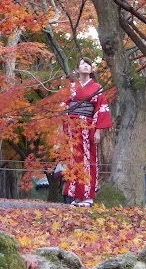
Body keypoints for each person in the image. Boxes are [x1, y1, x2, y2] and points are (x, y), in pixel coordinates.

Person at [63, 57, 113, 207]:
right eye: (82, 64)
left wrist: (98, 130)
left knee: (88, 159)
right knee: (74, 160)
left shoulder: (97, 87)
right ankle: (77, 196)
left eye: (88, 64)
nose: (85, 66)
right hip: (72, 127)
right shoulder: (72, 87)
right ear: (77, 69)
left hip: (88, 126)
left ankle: (88, 196)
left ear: (91, 70)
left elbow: (101, 109)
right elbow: (63, 105)